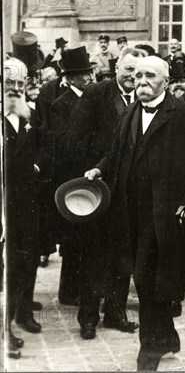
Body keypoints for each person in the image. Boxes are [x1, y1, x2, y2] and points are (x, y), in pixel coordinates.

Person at [84, 56, 185, 371]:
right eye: (137, 74)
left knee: (150, 280)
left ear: (166, 81)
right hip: (128, 213)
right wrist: (99, 169)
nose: (141, 80)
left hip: (165, 216)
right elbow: (115, 153)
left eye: (149, 76)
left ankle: (149, 350)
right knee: (148, 280)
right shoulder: (129, 111)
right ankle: (167, 337)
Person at [65, 47, 147, 338]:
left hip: (129, 193)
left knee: (124, 255)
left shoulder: (144, 99)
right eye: (128, 71)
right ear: (116, 70)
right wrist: (93, 178)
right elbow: (76, 140)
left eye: (138, 73)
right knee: (93, 255)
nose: (133, 77)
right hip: (97, 189)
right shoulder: (96, 94)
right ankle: (88, 317)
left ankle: (115, 313)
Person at [46, 47, 97, 307]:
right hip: (71, 177)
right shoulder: (61, 105)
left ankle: (83, 288)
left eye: (89, 72)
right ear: (71, 78)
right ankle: (69, 291)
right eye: (83, 74)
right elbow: (63, 143)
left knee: (88, 236)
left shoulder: (93, 98)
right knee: (73, 237)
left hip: (92, 176)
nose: (89, 78)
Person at [3, 58, 44, 348]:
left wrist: (38, 168)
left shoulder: (31, 116)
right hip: (4, 201)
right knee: (8, 262)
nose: (16, 89)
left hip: (28, 200)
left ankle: (24, 311)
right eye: (10, 84)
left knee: (27, 257)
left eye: (20, 83)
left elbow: (46, 147)